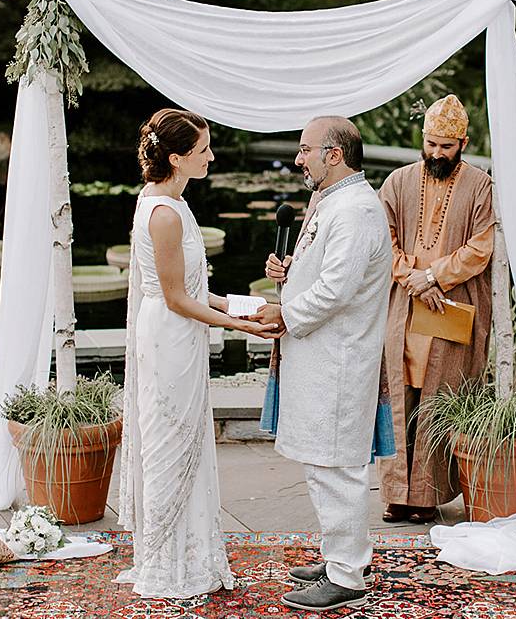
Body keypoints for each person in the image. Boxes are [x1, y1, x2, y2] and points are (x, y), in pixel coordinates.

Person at [117, 108, 280, 599]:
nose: (211, 156)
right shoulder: (163, 213)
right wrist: (241, 326)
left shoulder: (173, 202)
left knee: (187, 439)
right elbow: (176, 298)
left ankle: (191, 556)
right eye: (203, 150)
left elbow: (196, 289)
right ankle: (166, 564)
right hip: (168, 334)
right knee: (168, 442)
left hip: (182, 331)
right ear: (176, 157)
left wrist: (246, 306)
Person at [252, 116, 392, 612]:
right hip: (320, 355)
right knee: (322, 461)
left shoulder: (355, 210)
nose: (298, 159)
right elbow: (326, 272)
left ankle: (347, 575)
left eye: (305, 150)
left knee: (337, 466)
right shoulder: (334, 201)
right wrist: (288, 273)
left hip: (339, 358)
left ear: (334, 154)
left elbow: (337, 290)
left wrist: (283, 312)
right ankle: (342, 555)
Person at [376, 93, 496, 524]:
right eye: (430, 144)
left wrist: (436, 277)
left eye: (446, 146)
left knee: (438, 396)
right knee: (398, 395)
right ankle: (396, 492)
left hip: (451, 307)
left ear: (463, 142)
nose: (436, 153)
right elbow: (381, 240)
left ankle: (425, 498)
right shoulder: (398, 181)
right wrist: (413, 278)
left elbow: (481, 247)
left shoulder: (480, 185)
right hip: (405, 310)